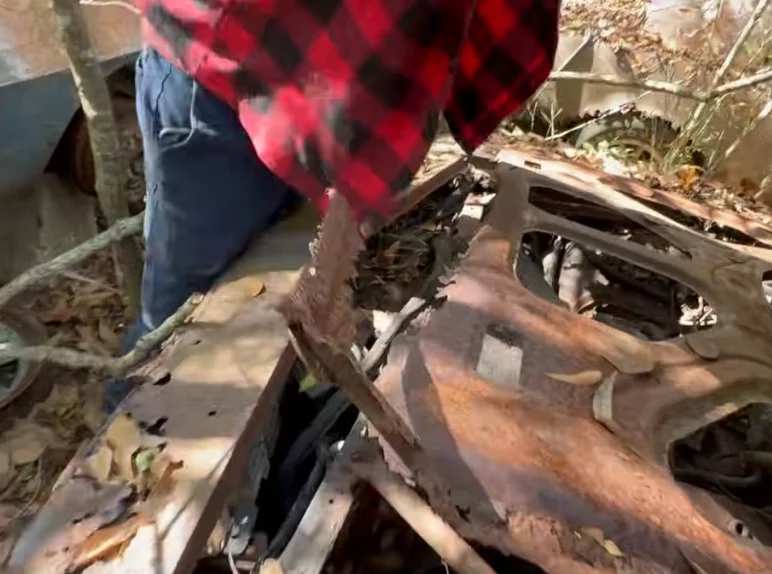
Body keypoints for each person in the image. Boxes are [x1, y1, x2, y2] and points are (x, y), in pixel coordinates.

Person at [107, 0, 560, 408]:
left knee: (272, 269)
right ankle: (130, 449)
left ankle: (263, 419)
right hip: (221, 70)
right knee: (185, 305)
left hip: (330, 93)